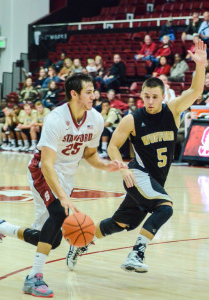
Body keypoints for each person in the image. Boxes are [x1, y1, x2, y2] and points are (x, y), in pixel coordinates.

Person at [66, 39, 207, 274]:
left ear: (163, 96)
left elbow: (196, 91)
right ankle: (136, 253)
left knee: (119, 224)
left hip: (154, 181)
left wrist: (200, 66)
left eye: (155, 97)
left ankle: (78, 242)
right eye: (146, 96)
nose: (150, 101)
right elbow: (113, 146)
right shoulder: (132, 119)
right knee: (166, 208)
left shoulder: (172, 111)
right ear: (141, 95)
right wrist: (122, 167)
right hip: (137, 175)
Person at [0, 73, 126, 297]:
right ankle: (33, 278)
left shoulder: (95, 119)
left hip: (66, 176)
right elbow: (47, 165)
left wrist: (107, 166)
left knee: (52, 239)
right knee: (59, 212)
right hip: (42, 171)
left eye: (93, 91)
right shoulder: (56, 119)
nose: (94, 96)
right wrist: (63, 198)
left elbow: (89, 155)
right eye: (88, 92)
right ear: (74, 94)